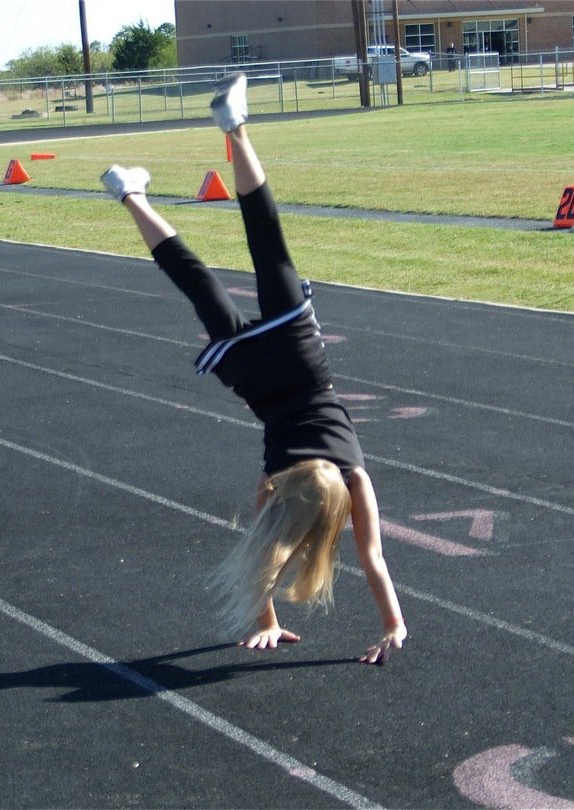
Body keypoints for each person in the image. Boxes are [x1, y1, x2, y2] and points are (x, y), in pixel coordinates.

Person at [101, 73, 406, 665]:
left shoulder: (355, 481)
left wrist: (395, 624)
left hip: (297, 358)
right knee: (196, 280)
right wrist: (262, 618)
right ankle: (128, 193)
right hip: (255, 380)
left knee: (267, 241)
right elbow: (263, 552)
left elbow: (374, 558)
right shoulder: (274, 484)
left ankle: (233, 127)